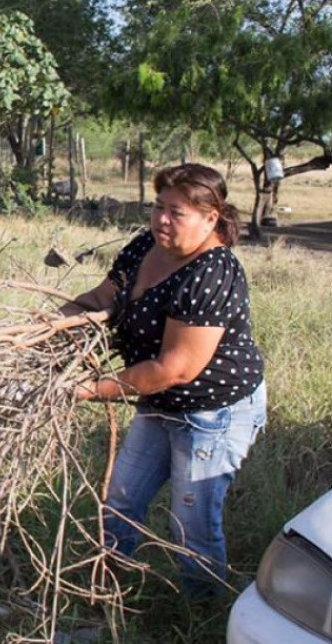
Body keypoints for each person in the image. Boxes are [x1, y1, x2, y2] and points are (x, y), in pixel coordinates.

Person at [65, 163, 266, 596]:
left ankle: (202, 611)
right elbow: (104, 298)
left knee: (190, 523)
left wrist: (84, 389)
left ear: (210, 217)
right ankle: (105, 591)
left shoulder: (213, 273)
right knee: (120, 499)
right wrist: (51, 326)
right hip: (159, 401)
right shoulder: (145, 246)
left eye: (176, 212)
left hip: (211, 412)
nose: (161, 220)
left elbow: (174, 369)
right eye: (158, 207)